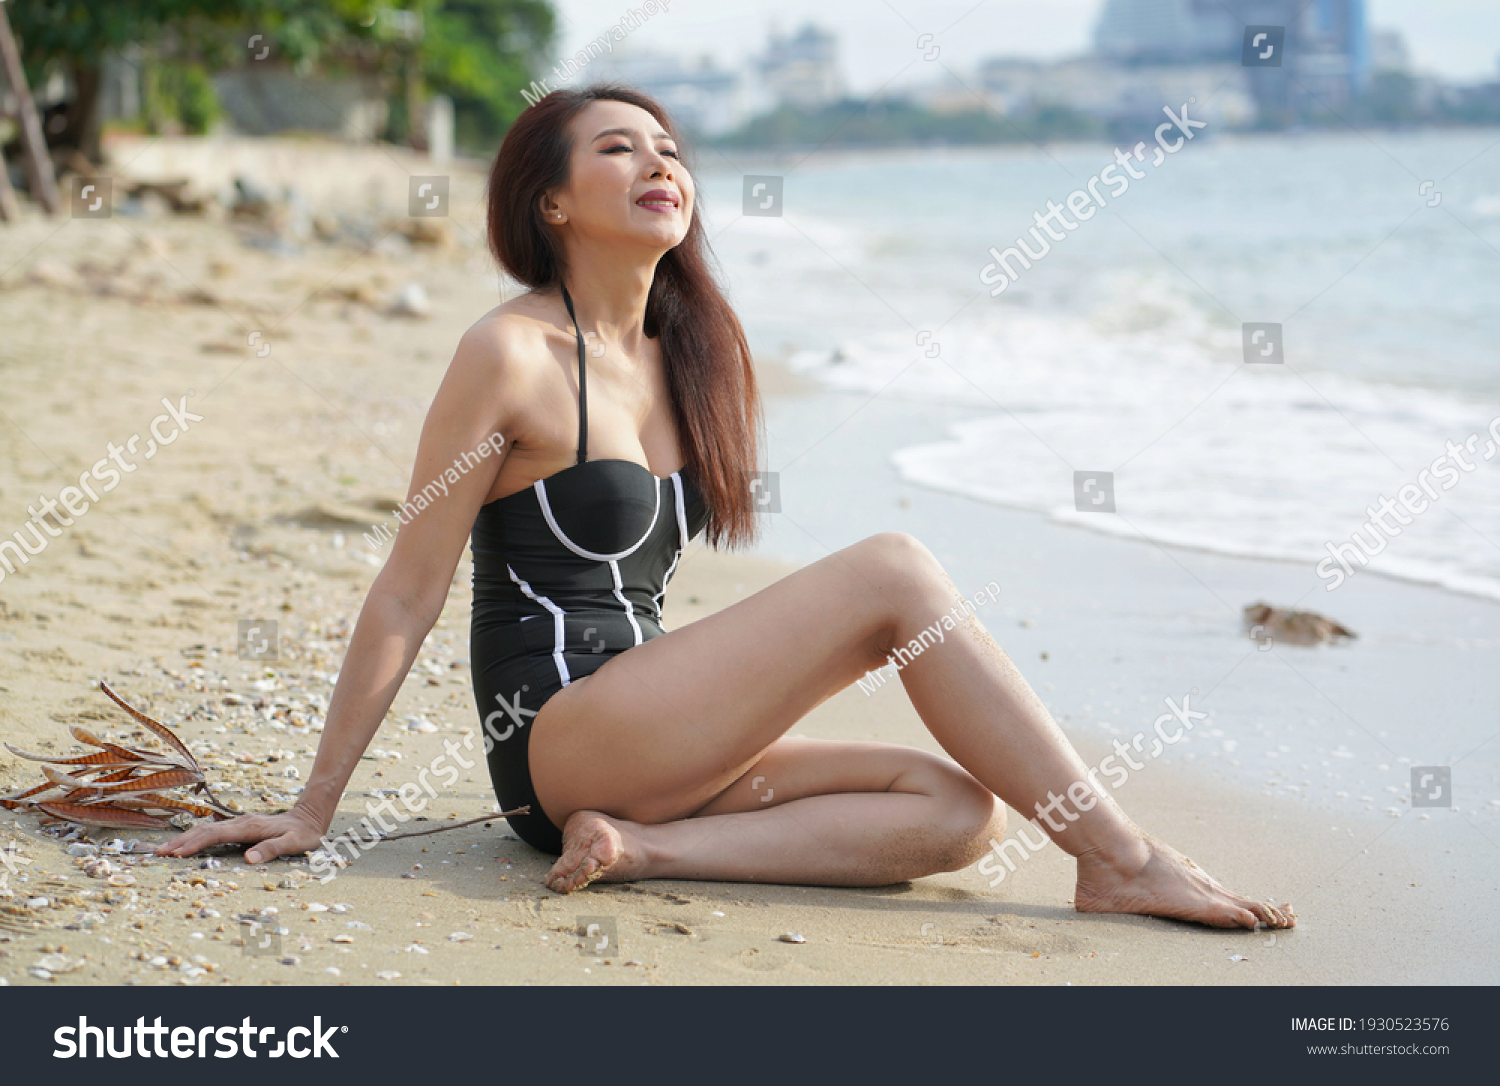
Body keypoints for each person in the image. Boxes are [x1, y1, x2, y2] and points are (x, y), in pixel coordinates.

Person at [159, 84, 1294, 932]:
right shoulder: (506, 354)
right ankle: (1120, 857)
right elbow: (410, 589)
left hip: (653, 751)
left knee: (955, 814)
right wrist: (315, 810)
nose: (660, 164)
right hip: (563, 732)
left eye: (670, 150)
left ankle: (642, 848)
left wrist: (646, 811)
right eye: (619, 148)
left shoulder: (686, 356)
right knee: (896, 571)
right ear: (550, 200)